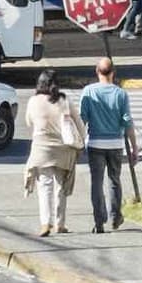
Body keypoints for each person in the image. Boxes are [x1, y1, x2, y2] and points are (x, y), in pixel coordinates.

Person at [78, 58, 138, 234]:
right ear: (113, 72)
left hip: (95, 142)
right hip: (115, 143)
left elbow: (83, 119)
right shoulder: (121, 94)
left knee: (96, 182)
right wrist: (134, 147)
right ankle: (115, 216)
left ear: (97, 71)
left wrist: (79, 142)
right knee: (114, 180)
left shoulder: (88, 92)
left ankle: (99, 220)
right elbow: (127, 121)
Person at [24, 71, 85, 237]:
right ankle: (60, 223)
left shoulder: (33, 101)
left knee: (44, 186)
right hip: (63, 148)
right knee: (61, 186)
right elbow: (78, 123)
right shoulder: (63, 100)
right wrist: (81, 144)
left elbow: (28, 122)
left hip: (41, 148)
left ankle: (45, 223)